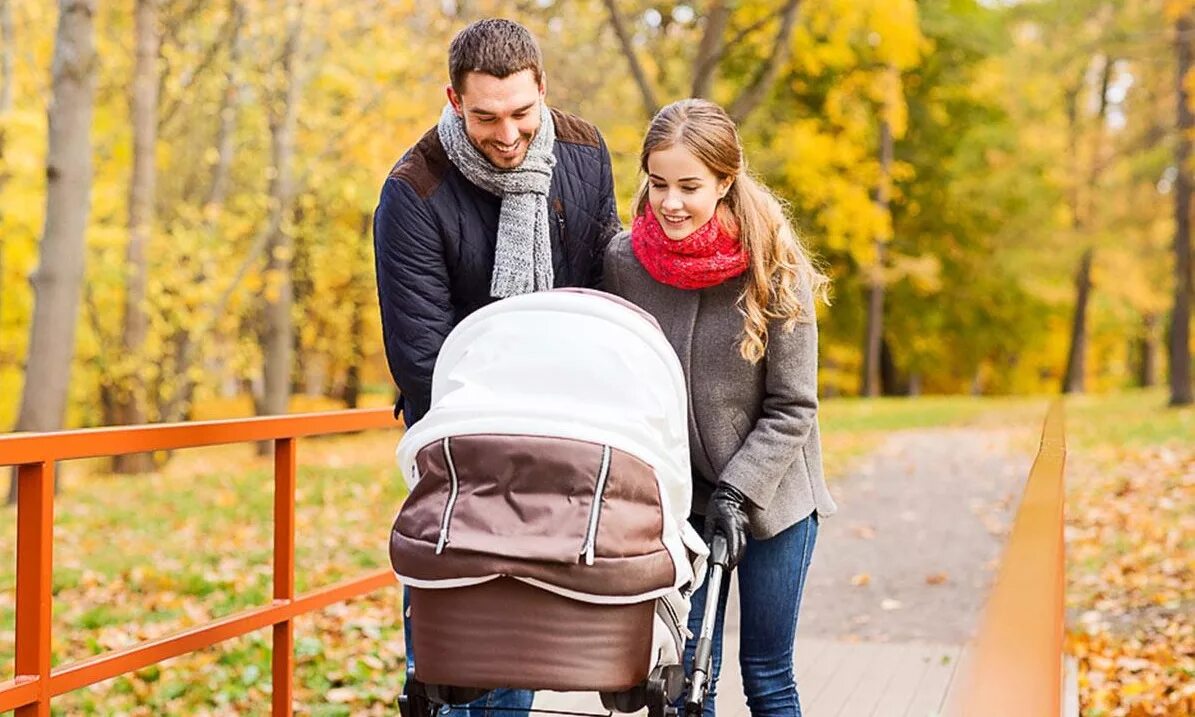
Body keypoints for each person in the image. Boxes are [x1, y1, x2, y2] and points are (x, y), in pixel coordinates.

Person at [372, 18, 620, 717]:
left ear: (542, 88)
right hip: (458, 433)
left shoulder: (583, 148)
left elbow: (600, 286)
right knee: (454, 642)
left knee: (522, 633)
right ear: (453, 99)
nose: (507, 134)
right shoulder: (413, 190)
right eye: (484, 117)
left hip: (561, 427)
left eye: (520, 113)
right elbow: (421, 356)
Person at [602, 98, 837, 717]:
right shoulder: (624, 263)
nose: (671, 203)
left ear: (726, 181)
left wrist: (737, 492)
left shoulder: (773, 269)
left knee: (766, 675)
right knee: (684, 681)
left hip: (775, 499)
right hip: (681, 507)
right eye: (658, 184)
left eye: (689, 186)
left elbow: (793, 406)